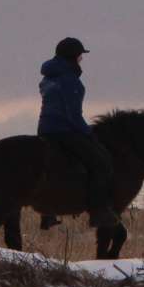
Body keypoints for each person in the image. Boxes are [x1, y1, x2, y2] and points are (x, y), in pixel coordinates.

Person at [38, 36, 118, 231]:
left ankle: (47, 214)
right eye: (80, 55)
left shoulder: (48, 77)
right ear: (73, 57)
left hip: (44, 129)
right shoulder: (69, 80)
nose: (82, 59)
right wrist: (89, 133)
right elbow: (73, 115)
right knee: (101, 162)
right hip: (64, 131)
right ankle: (98, 212)